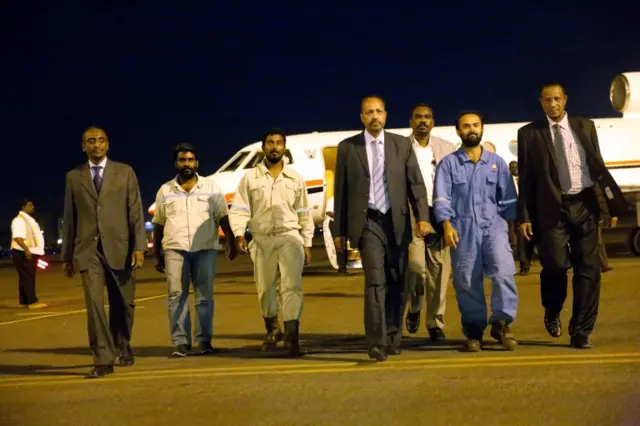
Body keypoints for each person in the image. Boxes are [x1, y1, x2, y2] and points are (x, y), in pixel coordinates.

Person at [517, 83, 627, 349]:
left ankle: (581, 330)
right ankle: (552, 309)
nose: (552, 104)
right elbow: (527, 178)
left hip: (584, 204)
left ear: (565, 100)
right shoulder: (530, 134)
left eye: (557, 99)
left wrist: (606, 207)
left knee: (589, 270)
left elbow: (596, 167)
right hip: (551, 209)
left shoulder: (584, 126)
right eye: (547, 100)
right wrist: (524, 216)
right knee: (555, 265)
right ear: (541, 102)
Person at [332, 96, 430, 362]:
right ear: (362, 117)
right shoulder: (347, 148)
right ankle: (376, 342)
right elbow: (340, 191)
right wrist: (339, 232)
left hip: (397, 222)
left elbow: (416, 184)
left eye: (378, 111)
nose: (374, 116)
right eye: (369, 112)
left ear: (385, 115)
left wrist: (422, 217)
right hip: (368, 223)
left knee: (399, 280)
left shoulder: (401, 145)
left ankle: (393, 336)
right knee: (375, 281)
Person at [61, 126, 147, 378]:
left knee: (124, 303)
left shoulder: (125, 172)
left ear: (108, 144)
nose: (96, 145)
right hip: (88, 251)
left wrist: (139, 247)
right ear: (83, 146)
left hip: (121, 248)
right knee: (95, 305)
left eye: (100, 141)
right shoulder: (73, 177)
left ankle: (122, 343)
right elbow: (70, 217)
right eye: (91, 141)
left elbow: (135, 212)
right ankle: (103, 357)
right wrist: (67, 255)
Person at [433, 111, 519, 352]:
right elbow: (441, 198)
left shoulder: (497, 162)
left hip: (494, 227)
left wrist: (509, 227)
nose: (471, 129)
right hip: (463, 230)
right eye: (466, 126)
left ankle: (502, 324)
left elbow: (509, 199)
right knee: (467, 281)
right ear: (458, 131)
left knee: (503, 273)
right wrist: (447, 225)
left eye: (475, 125)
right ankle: (474, 330)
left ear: (482, 128)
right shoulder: (448, 165)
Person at [229, 128, 314, 357]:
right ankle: (272, 329)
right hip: (262, 239)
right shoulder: (249, 178)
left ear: (284, 147)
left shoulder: (295, 178)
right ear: (263, 147)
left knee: (291, 287)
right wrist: (239, 234)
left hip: (289, 237)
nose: (274, 147)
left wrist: (306, 243)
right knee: (265, 288)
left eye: (278, 143)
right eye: (270, 143)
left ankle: (292, 335)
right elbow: (239, 209)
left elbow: (304, 212)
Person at [152, 143, 236, 357]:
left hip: (205, 248)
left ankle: (205, 340)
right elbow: (159, 223)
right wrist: (157, 253)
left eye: (190, 160)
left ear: (197, 163)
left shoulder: (211, 187)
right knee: (176, 295)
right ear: (176, 163)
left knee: (204, 297)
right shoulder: (165, 190)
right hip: (175, 249)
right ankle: (181, 342)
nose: (186, 164)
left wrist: (232, 242)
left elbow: (223, 216)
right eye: (182, 160)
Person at [404, 104, 454, 341]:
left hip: (440, 213)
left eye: (427, 117)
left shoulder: (446, 147)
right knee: (416, 268)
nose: (422, 121)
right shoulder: (401, 148)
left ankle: (435, 322)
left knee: (439, 271)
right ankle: (415, 306)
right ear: (411, 121)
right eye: (418, 117)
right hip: (412, 213)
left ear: (432, 121)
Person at [10, 199, 48, 309]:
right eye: (30, 205)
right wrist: (27, 250)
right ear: (23, 207)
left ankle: (24, 301)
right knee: (28, 277)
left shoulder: (28, 220)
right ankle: (32, 301)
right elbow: (17, 237)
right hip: (23, 252)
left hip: (26, 252)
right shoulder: (19, 220)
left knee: (24, 277)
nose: (33, 207)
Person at [508, 161, 535, 275]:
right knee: (518, 239)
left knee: (526, 239)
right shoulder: (507, 180)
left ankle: (526, 264)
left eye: (516, 167)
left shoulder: (527, 179)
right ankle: (523, 265)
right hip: (513, 212)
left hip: (528, 212)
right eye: (512, 168)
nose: (515, 170)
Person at [325, 195, 348, 274]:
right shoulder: (332, 199)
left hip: (343, 223)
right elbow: (328, 212)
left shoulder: (346, 199)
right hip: (335, 223)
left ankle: (343, 267)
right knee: (338, 246)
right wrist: (339, 216)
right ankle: (341, 267)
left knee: (344, 246)